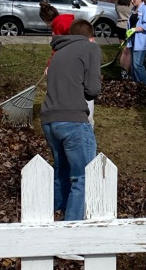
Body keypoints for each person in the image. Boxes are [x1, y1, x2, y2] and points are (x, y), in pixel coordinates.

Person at [40, 19, 101, 220]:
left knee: (62, 170)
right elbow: (92, 90)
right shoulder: (90, 48)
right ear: (90, 37)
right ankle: (71, 235)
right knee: (83, 176)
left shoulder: (58, 53)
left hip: (49, 120)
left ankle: (57, 213)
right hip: (73, 120)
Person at [127, 0, 146, 86]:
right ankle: (137, 84)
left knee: (138, 65)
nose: (132, 1)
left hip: (141, 43)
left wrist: (134, 29)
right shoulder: (134, 10)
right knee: (133, 65)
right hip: (133, 41)